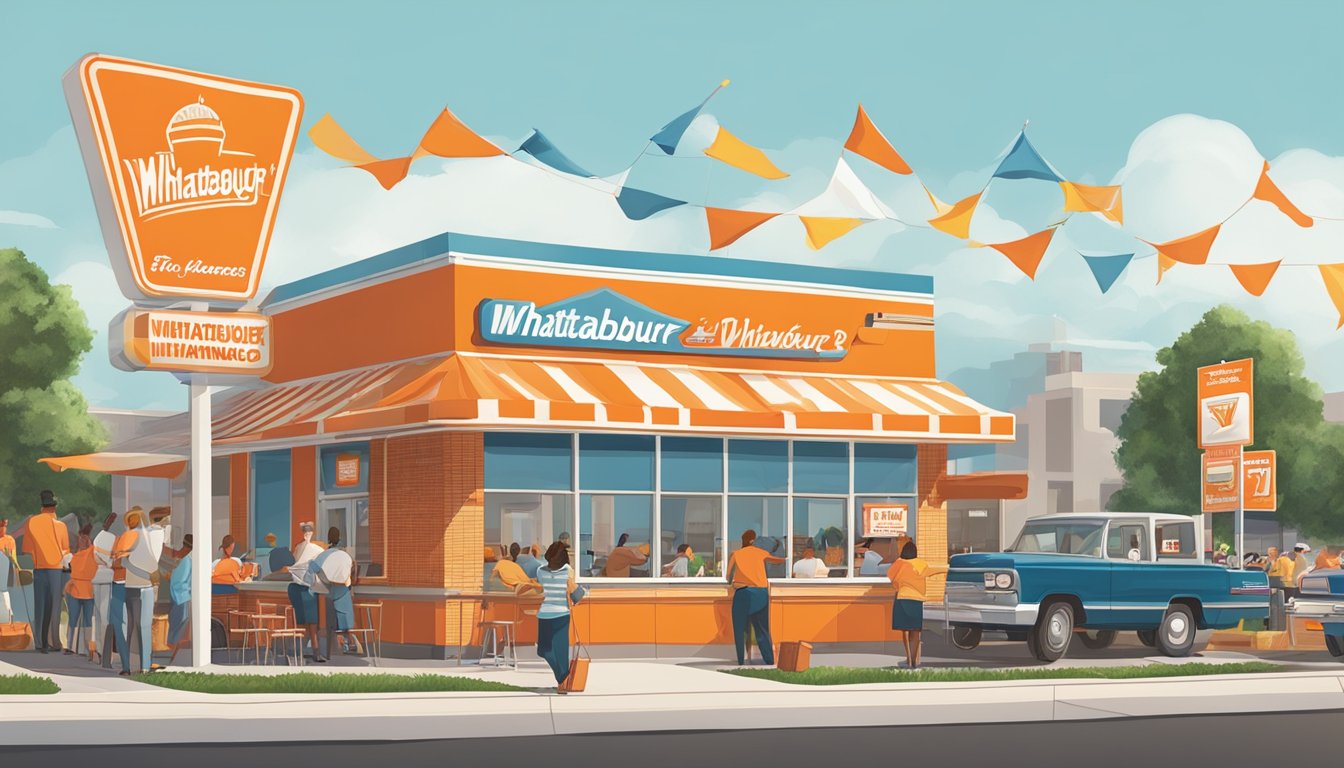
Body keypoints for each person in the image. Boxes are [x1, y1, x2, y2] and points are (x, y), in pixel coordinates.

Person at [111, 507, 168, 675]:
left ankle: (129, 666)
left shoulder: (130, 536)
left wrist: (126, 558)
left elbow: (118, 559)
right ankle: (144, 665)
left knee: (131, 627)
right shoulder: (150, 537)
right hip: (146, 587)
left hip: (133, 587)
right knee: (144, 627)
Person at [725, 529, 786, 666]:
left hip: (743, 592)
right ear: (752, 540)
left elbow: (728, 575)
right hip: (761, 593)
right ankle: (769, 660)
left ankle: (741, 661)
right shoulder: (761, 553)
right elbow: (778, 561)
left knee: (740, 630)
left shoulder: (736, 554)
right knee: (762, 629)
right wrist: (783, 553)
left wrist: (732, 581)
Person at [887, 540, 947, 670]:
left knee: (905, 630)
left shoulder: (898, 564)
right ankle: (914, 662)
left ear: (903, 552)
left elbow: (892, 579)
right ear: (915, 553)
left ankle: (908, 659)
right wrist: (947, 568)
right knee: (915, 632)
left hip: (901, 598)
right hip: (916, 600)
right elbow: (934, 571)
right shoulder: (921, 565)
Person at [23, 490, 71, 653]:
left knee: (40, 605)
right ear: (54, 507)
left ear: (42, 506)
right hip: (56, 569)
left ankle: (40, 642)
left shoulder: (31, 522)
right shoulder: (61, 526)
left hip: (39, 568)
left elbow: (27, 549)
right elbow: (66, 550)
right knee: (55, 606)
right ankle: (54, 641)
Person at [307, 527, 357, 662]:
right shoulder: (346, 555)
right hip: (341, 589)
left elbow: (312, 567)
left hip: (327, 590)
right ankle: (349, 641)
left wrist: (322, 579)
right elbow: (353, 574)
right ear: (340, 538)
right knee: (345, 615)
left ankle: (328, 650)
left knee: (327, 622)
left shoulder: (324, 554)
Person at [535, 540, 576, 691]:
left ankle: (562, 684)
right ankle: (562, 677)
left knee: (544, 650)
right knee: (561, 651)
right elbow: (573, 590)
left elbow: (539, 588)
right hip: (562, 615)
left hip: (545, 614)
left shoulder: (540, 571)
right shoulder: (568, 570)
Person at [287, 522, 325, 659]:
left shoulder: (298, 547)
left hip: (295, 588)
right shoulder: (317, 549)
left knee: (303, 622)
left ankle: (301, 651)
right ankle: (315, 652)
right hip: (307, 588)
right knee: (312, 623)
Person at [63, 525, 97, 659]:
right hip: (75, 589)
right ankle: (71, 647)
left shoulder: (93, 553)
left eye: (85, 538)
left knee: (88, 620)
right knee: (73, 619)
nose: (82, 540)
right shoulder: (73, 556)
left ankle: (88, 647)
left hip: (88, 589)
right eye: (80, 538)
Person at [91, 512, 117, 665]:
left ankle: (101, 651)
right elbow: (111, 561)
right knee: (104, 616)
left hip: (96, 577)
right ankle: (104, 653)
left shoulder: (98, 538)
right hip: (108, 577)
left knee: (99, 616)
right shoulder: (111, 540)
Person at [166, 535, 193, 665]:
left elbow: (178, 581)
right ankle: (174, 657)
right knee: (179, 628)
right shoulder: (187, 560)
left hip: (179, 598)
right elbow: (180, 581)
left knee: (178, 628)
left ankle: (174, 657)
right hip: (181, 598)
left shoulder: (185, 560)